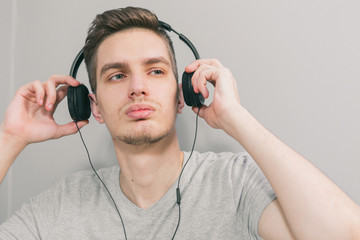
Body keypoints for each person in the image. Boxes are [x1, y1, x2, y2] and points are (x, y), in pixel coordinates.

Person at [0, 6, 359, 240]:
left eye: (155, 71)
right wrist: (10, 138)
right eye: (117, 76)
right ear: (93, 107)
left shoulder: (233, 182)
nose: (138, 88)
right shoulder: (63, 203)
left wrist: (237, 119)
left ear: (182, 95)